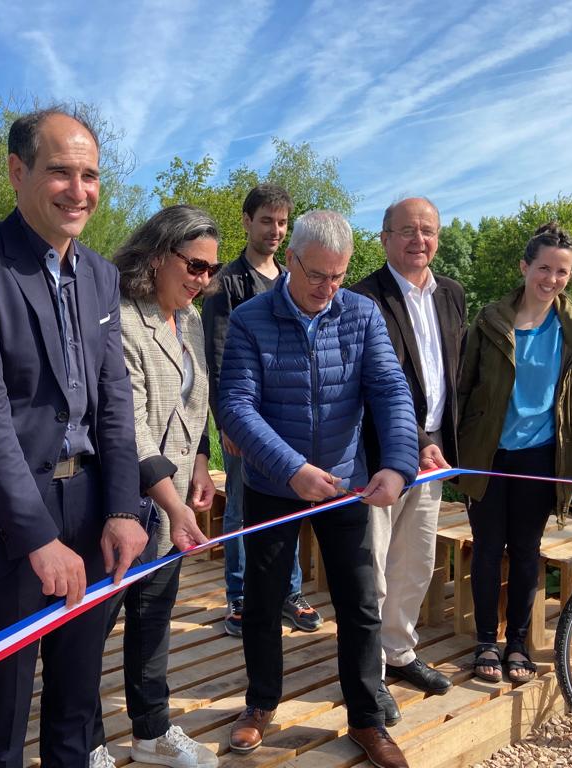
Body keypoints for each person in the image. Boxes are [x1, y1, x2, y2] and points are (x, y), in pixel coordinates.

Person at [0, 106, 148, 768]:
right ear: (18, 171)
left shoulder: (102, 275)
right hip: (5, 519)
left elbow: (115, 400)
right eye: (60, 172)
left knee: (79, 700)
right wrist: (36, 539)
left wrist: (123, 508)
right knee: (3, 705)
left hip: (90, 507)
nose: (79, 190)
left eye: (90, 175)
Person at [220, 210, 419, 768]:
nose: (327, 289)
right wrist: (290, 469)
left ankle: (365, 718)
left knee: (359, 603)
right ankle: (259, 704)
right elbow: (235, 407)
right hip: (273, 483)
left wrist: (399, 465)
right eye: (316, 276)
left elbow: (390, 392)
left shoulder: (362, 314)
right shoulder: (249, 319)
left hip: (343, 484)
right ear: (290, 261)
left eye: (338, 277)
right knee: (261, 603)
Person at [90, 205, 221, 768]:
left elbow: (192, 405)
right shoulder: (121, 316)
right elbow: (131, 423)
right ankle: (87, 741)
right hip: (123, 498)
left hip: (170, 496)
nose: (203, 280)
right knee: (92, 631)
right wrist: (171, 501)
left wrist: (197, 465)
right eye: (195, 266)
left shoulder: (188, 318)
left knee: (154, 619)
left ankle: (151, 730)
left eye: (211, 270)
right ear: (158, 256)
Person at [455, 222, 572, 684]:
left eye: (563, 272)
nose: (552, 279)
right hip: (488, 454)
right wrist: (445, 448)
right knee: (485, 550)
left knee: (525, 551)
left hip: (540, 457)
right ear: (524, 267)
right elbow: (463, 388)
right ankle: (485, 640)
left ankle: (517, 643)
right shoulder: (489, 320)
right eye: (544, 268)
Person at [352, 198, 466, 715]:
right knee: (372, 566)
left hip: (436, 454)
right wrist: (416, 442)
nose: (419, 240)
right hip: (380, 456)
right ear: (384, 237)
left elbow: (454, 376)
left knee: (415, 561)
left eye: (428, 231)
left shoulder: (453, 296)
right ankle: (366, 674)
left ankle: (397, 652)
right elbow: (374, 386)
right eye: (407, 231)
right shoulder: (362, 298)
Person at [202, 184, 322, 637]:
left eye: (282, 222)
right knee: (238, 506)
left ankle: (287, 592)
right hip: (245, 419)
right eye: (266, 220)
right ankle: (240, 597)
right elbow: (217, 358)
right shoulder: (227, 282)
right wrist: (227, 420)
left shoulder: (296, 279)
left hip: (289, 418)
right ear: (246, 222)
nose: (275, 230)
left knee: (288, 503)